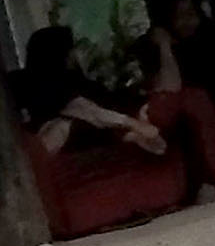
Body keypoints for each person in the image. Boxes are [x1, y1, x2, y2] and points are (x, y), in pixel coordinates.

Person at [15, 24, 164, 157]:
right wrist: (135, 125)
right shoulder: (50, 86)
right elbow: (91, 113)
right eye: (71, 50)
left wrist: (134, 133)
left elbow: (101, 117)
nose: (76, 55)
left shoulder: (77, 82)